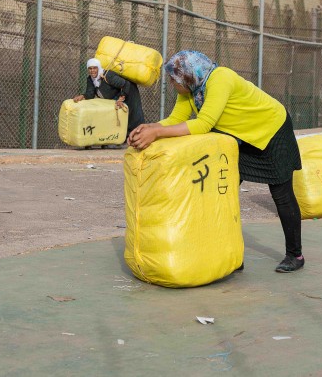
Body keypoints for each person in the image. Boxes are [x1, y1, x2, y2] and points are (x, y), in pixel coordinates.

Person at [127, 51, 304, 273]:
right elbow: (175, 120)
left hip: (272, 129)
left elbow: (204, 124)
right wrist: (149, 128)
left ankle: (295, 255)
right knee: (223, 191)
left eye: (174, 80)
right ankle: (229, 255)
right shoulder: (191, 89)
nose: (172, 85)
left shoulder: (221, 78)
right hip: (242, 136)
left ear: (187, 76)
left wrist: (157, 134)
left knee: (282, 194)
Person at [73, 58, 145, 138]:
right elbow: (90, 93)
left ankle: (140, 136)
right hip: (115, 98)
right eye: (90, 68)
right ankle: (120, 138)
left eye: (94, 68)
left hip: (129, 93)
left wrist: (121, 99)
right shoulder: (90, 79)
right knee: (118, 117)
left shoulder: (108, 75)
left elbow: (125, 84)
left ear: (98, 68)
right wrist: (83, 96)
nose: (92, 71)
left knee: (133, 116)